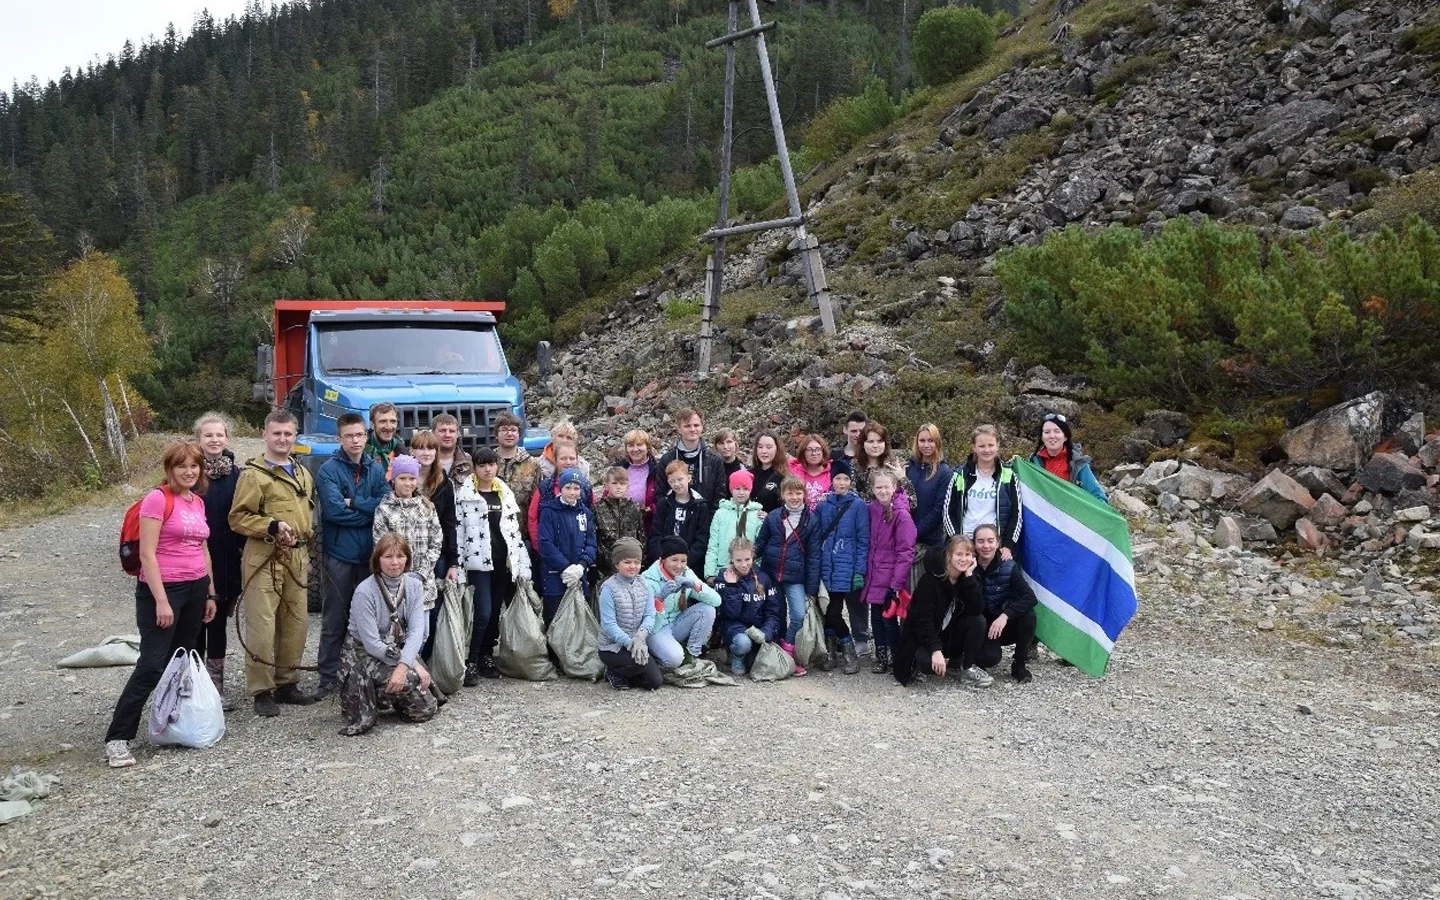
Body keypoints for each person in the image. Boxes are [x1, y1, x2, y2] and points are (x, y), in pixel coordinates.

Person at [104, 441, 217, 768]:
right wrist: (161, 601)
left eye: (194, 466)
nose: (189, 472)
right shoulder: (158, 499)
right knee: (153, 663)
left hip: (196, 588)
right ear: (169, 469)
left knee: (181, 661)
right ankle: (118, 737)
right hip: (163, 589)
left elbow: (203, 549)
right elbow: (147, 555)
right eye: (182, 466)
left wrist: (209, 592)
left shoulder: (196, 501)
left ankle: (173, 722)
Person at [228, 409, 320, 717]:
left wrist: (305, 554)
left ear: (295, 437)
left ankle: (287, 682)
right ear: (265, 435)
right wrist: (271, 526)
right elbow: (238, 517)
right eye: (277, 433)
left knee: (296, 621)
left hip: (296, 556)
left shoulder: (302, 473)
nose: (282, 439)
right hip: (263, 556)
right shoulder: (253, 475)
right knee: (262, 626)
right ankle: (261, 689)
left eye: (288, 434)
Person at [314, 413, 389, 700]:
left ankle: (363, 672)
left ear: (366, 436)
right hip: (339, 555)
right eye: (349, 436)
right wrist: (367, 512)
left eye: (359, 435)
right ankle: (328, 677)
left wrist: (355, 502)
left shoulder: (375, 469)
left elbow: (385, 504)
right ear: (339, 438)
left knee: (369, 619)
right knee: (334, 619)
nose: (355, 441)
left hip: (368, 557)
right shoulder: (328, 471)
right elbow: (333, 511)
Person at [338, 533, 438, 736]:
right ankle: (364, 695)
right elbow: (372, 644)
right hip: (362, 655)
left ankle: (388, 696)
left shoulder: (414, 585)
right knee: (409, 677)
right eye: (388, 557)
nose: (395, 563)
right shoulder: (364, 591)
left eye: (400, 556)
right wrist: (408, 665)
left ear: (407, 559)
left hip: (394, 648)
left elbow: (416, 631)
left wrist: (409, 662)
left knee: (424, 710)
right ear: (378, 560)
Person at [455, 446, 531, 684]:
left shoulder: (504, 493)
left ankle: (487, 654)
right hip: (478, 564)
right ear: (475, 468)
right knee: (483, 612)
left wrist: (521, 562)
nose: (488, 469)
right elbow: (459, 532)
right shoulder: (466, 495)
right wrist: (458, 566)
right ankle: (471, 660)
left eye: (491, 464)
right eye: (482, 465)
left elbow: (513, 531)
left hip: (502, 562)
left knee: (496, 611)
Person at [192, 412, 244, 710]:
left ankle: (216, 688)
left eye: (219, 435)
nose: (214, 440)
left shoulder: (237, 475)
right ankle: (194, 685)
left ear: (227, 439)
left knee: (218, 625)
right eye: (208, 435)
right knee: (195, 624)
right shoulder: (189, 472)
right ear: (199, 439)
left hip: (226, 560)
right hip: (195, 560)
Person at [893, 536, 992, 688]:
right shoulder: (930, 581)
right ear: (948, 556)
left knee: (978, 620)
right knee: (928, 665)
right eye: (959, 554)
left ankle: (967, 668)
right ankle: (916, 663)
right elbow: (922, 621)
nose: (964, 559)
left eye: (968, 554)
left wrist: (969, 578)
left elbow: (977, 609)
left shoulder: (967, 578)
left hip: (948, 635)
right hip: (923, 637)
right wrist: (935, 650)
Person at [371, 455, 443, 655]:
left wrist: (421, 573)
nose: (408, 483)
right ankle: (396, 675)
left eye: (412, 478)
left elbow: (436, 542)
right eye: (402, 478)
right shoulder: (383, 510)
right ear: (393, 479)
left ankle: (412, 673)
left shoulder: (427, 507)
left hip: (422, 582)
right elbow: (380, 546)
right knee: (396, 634)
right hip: (394, 585)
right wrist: (399, 576)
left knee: (422, 633)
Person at [754, 475, 822, 675]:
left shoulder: (811, 521)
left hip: (796, 577)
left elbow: (814, 556)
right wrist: (746, 560)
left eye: (798, 493)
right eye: (790, 493)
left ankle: (788, 649)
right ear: (782, 494)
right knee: (777, 615)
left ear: (805, 495)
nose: (794, 497)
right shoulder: (774, 516)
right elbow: (760, 543)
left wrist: (811, 588)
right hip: (772, 574)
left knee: (799, 615)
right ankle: (776, 658)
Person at [861, 469, 916, 675]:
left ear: (894, 488)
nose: (883, 491)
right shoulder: (871, 509)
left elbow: (906, 552)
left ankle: (896, 656)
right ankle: (881, 656)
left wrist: (896, 583)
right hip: (874, 573)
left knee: (889, 618)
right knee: (876, 617)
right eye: (878, 487)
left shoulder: (902, 515)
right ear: (872, 489)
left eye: (887, 487)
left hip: (891, 575)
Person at [943, 424, 1022, 560]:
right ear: (974, 447)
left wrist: (1008, 545)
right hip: (965, 544)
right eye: (981, 446)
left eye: (991, 445)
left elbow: (1017, 513)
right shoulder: (960, 475)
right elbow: (947, 512)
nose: (987, 450)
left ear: (997, 446)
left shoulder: (1009, 475)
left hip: (994, 545)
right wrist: (957, 541)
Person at [641, 535, 721, 669]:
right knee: (674, 660)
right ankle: (656, 656)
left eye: (683, 561)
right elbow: (647, 624)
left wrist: (695, 585)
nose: (679, 565)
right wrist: (659, 599)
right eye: (674, 560)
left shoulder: (686, 573)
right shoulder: (647, 580)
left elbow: (717, 601)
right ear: (662, 559)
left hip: (676, 625)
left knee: (708, 609)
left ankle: (691, 655)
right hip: (656, 630)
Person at [817, 469, 869, 675]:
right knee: (826, 611)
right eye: (838, 478)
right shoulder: (823, 506)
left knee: (834, 612)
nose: (842, 482)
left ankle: (849, 653)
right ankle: (831, 653)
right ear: (831, 481)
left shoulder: (858, 506)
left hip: (844, 567)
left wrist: (859, 570)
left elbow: (863, 540)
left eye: (846, 478)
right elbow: (815, 533)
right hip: (824, 566)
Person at [972, 524, 1037, 684]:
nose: (986, 546)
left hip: (1003, 624)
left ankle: (1019, 663)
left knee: (1029, 616)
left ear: (998, 543)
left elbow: (1030, 597)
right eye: (980, 541)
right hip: (982, 627)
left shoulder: (1009, 566)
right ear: (974, 544)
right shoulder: (968, 566)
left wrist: (1005, 615)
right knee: (988, 659)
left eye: (990, 541)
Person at [596, 537, 663, 691]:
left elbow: (649, 615)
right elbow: (608, 624)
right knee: (638, 663)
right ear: (616, 564)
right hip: (613, 647)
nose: (633, 566)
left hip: (637, 642)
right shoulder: (608, 589)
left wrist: (640, 636)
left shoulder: (644, 584)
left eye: (637, 562)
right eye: (627, 562)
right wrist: (629, 643)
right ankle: (614, 672)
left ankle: (627, 675)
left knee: (655, 681)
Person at [713, 537, 783, 676]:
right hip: (735, 630)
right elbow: (729, 614)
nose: (744, 564)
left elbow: (773, 612)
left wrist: (766, 632)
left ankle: (748, 654)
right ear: (731, 559)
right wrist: (732, 585)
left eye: (747, 559)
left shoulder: (763, 578)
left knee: (756, 664)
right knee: (743, 643)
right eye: (738, 560)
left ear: (753, 557)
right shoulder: (723, 577)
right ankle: (736, 655)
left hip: (758, 630)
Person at [537, 468, 598, 626]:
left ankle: (575, 651)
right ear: (560, 489)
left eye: (576, 488)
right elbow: (545, 543)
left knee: (577, 621)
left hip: (578, 575)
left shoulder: (585, 513)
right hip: (554, 575)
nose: (572, 492)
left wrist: (581, 566)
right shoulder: (549, 511)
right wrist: (565, 567)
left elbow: (591, 543)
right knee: (554, 619)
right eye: (568, 488)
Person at [409, 429, 461, 589]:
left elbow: (450, 523)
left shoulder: (444, 483)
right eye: (421, 448)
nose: (426, 453)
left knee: (436, 607)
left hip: (438, 554)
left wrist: (454, 563)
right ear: (412, 451)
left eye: (430, 448)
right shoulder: (403, 479)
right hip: (409, 554)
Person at [906, 423, 954, 590]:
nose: (926, 445)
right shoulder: (908, 468)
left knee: (926, 596)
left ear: (937, 443)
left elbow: (939, 510)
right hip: (905, 543)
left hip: (930, 544)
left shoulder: (945, 472)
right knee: (906, 599)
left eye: (931, 441)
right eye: (922, 440)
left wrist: (913, 533)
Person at [647, 460, 711, 574]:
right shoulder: (664, 504)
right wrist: (661, 559)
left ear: (689, 478)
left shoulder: (700, 506)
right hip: (664, 564)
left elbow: (702, 539)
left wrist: (684, 562)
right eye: (672, 481)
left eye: (680, 479)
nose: (676, 484)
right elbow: (655, 535)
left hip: (690, 566)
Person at [527, 439, 592, 546]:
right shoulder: (545, 487)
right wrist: (539, 546)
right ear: (555, 460)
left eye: (572, 458)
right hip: (549, 550)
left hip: (579, 551)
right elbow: (532, 517)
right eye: (563, 458)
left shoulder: (585, 487)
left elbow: (591, 517)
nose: (568, 462)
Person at [658, 408, 726, 508]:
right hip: (675, 520)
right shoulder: (667, 460)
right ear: (678, 428)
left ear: (702, 427)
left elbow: (719, 497)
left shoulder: (715, 461)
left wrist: (708, 520)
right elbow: (660, 494)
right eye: (687, 426)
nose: (692, 429)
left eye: (696, 425)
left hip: (705, 520)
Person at [1031, 412, 1107, 502]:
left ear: (1065, 437)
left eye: (1057, 431)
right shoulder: (1033, 462)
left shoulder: (1078, 463)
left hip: (1070, 513)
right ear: (1042, 438)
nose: (1052, 436)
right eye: (1047, 432)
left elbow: (1098, 496)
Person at [704, 469, 762, 580]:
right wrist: (710, 573)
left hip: (748, 570)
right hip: (723, 568)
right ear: (731, 489)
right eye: (737, 488)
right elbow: (713, 545)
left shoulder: (757, 515)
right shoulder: (720, 513)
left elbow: (760, 546)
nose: (741, 492)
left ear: (750, 490)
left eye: (745, 489)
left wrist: (758, 570)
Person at [593, 466, 644, 586]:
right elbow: (594, 537)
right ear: (606, 485)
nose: (618, 487)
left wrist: (640, 561)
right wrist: (595, 564)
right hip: (605, 569)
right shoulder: (597, 508)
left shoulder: (634, 508)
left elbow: (641, 536)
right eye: (614, 483)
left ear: (628, 486)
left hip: (631, 567)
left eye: (622, 483)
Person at [853, 421, 914, 504]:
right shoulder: (854, 466)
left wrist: (902, 478)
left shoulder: (894, 465)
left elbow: (912, 503)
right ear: (863, 444)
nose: (875, 445)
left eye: (879, 441)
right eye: (870, 441)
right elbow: (849, 496)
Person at [495, 411, 539, 524]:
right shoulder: (487, 462)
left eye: (513, 430)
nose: (509, 434)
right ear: (496, 434)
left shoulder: (532, 464)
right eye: (504, 429)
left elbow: (537, 502)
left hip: (522, 533)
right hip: (492, 533)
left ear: (519, 434)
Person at [618, 428, 664, 535]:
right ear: (626, 449)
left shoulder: (657, 470)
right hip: (621, 527)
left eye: (639, 445)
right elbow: (607, 495)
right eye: (631, 445)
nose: (635, 449)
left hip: (649, 527)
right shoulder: (618, 469)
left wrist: (650, 509)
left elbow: (663, 500)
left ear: (647, 447)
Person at [789, 433, 838, 512]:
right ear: (803, 452)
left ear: (823, 451)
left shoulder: (832, 472)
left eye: (818, 449)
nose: (814, 453)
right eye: (809, 450)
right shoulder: (793, 472)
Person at [748, 430, 789, 513]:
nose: (764, 451)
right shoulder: (749, 474)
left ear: (777, 449)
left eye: (769, 447)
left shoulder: (784, 477)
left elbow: (788, 508)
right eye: (760, 447)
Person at [363, 402, 402, 475]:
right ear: (372, 425)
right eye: (383, 421)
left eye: (393, 421)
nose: (389, 427)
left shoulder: (403, 453)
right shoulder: (359, 453)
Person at [713, 428, 745, 498]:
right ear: (716, 446)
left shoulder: (743, 470)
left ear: (735, 444)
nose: (725, 446)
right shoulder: (712, 469)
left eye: (729, 442)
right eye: (721, 443)